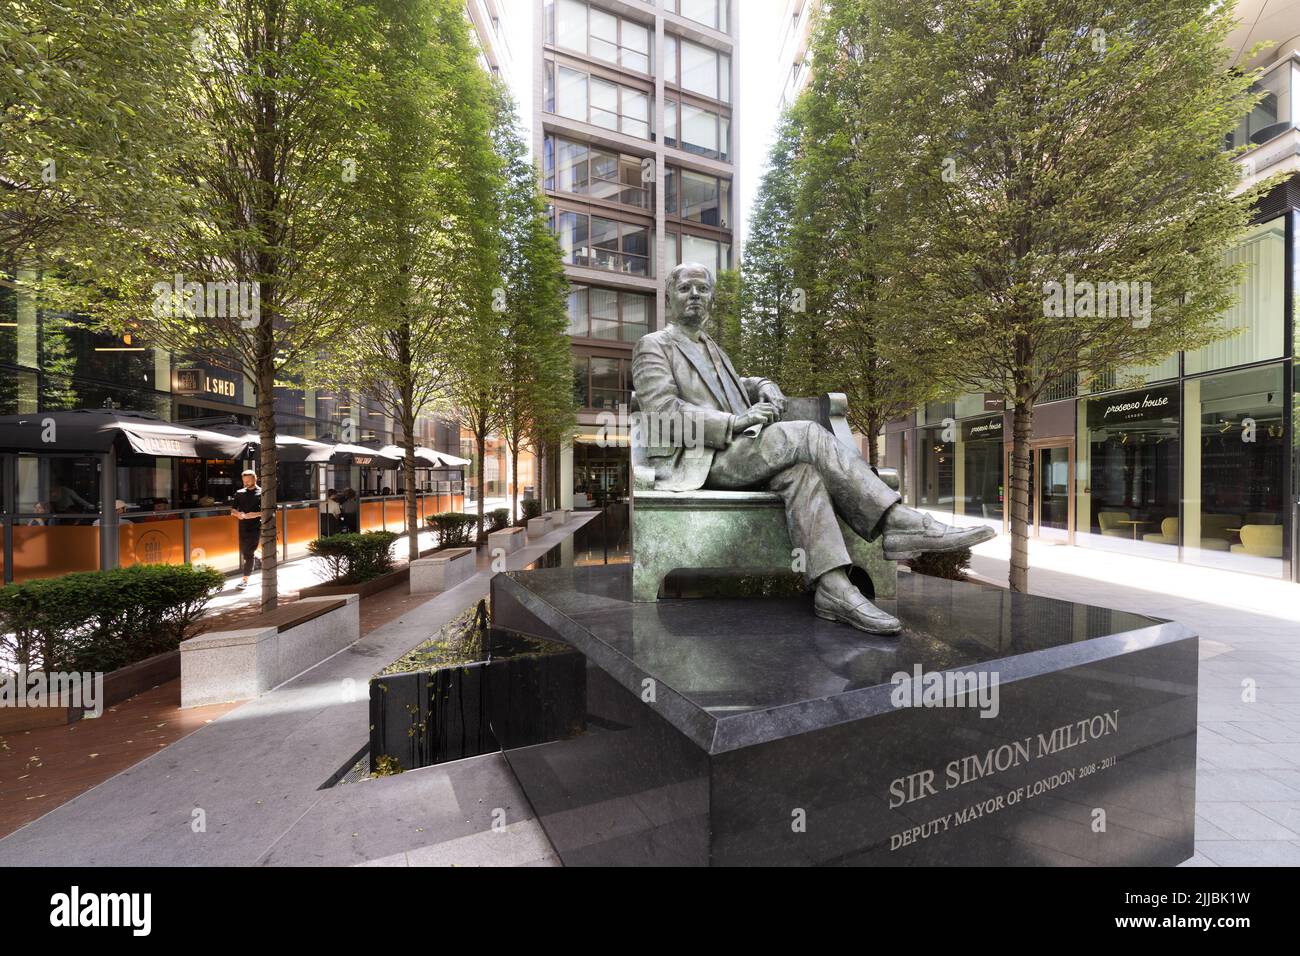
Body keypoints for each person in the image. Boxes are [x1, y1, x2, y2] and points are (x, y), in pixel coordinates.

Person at [632, 263, 995, 635]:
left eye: (702, 289)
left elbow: (732, 385)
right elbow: (663, 413)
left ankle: (833, 589)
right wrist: (735, 422)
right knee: (804, 432)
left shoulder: (711, 347)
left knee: (803, 476)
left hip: (741, 452)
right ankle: (895, 521)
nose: (695, 295)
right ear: (669, 297)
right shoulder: (653, 346)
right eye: (686, 288)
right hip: (705, 459)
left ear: (711, 300)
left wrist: (764, 385)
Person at [231, 469, 262, 591]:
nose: (246, 483)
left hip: (257, 527)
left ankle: (245, 580)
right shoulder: (239, 493)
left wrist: (254, 514)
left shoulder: (262, 493)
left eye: (248, 481)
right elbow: (232, 510)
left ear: (255, 479)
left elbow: (270, 511)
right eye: (244, 481)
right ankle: (256, 559)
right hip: (243, 527)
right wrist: (237, 514)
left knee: (248, 553)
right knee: (246, 552)